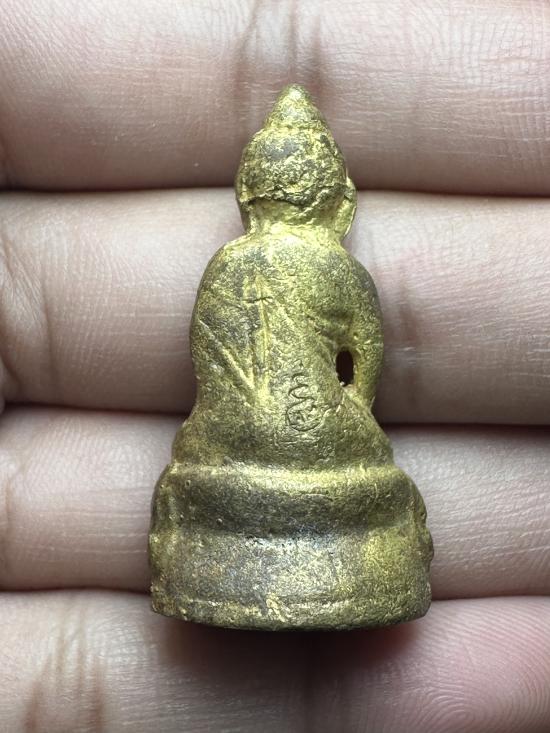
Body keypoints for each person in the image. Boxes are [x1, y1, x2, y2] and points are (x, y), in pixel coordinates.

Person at [0, 1, 548, 731]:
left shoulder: (226, 265)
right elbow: (363, 374)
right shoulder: (341, 270)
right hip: (317, 431)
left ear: (249, 195)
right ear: (336, 198)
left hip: (225, 447)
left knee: (200, 459)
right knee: (372, 470)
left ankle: (209, 555)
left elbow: (206, 360)